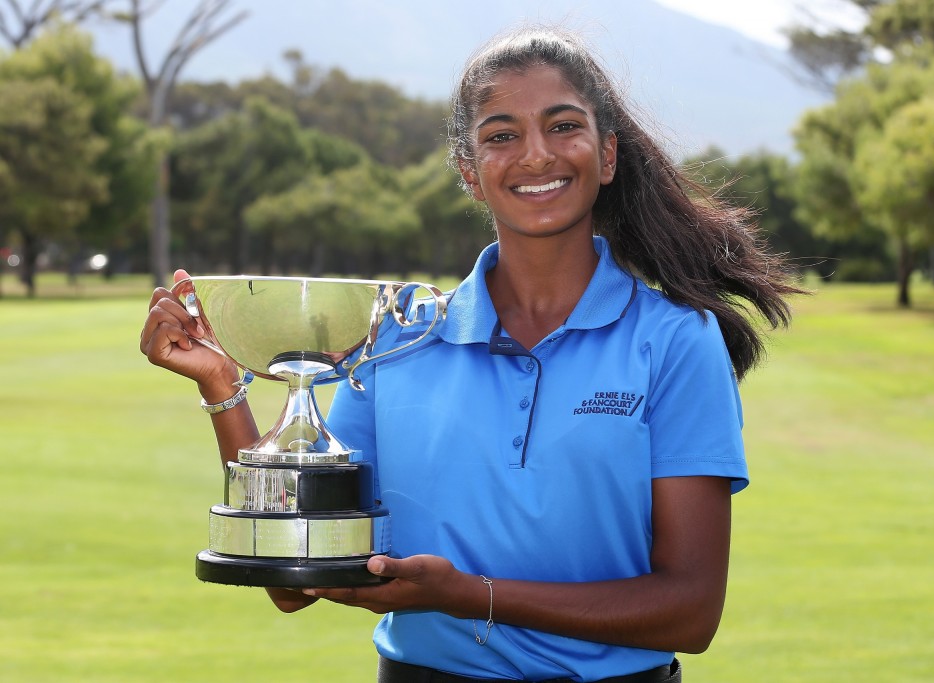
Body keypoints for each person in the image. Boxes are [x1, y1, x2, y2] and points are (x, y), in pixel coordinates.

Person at [140, 25, 800, 683]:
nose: (536, 155)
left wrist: (471, 595)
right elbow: (295, 579)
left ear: (606, 156)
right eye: (501, 135)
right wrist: (224, 388)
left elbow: (689, 612)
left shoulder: (676, 341)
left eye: (563, 125)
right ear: (470, 173)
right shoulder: (395, 339)